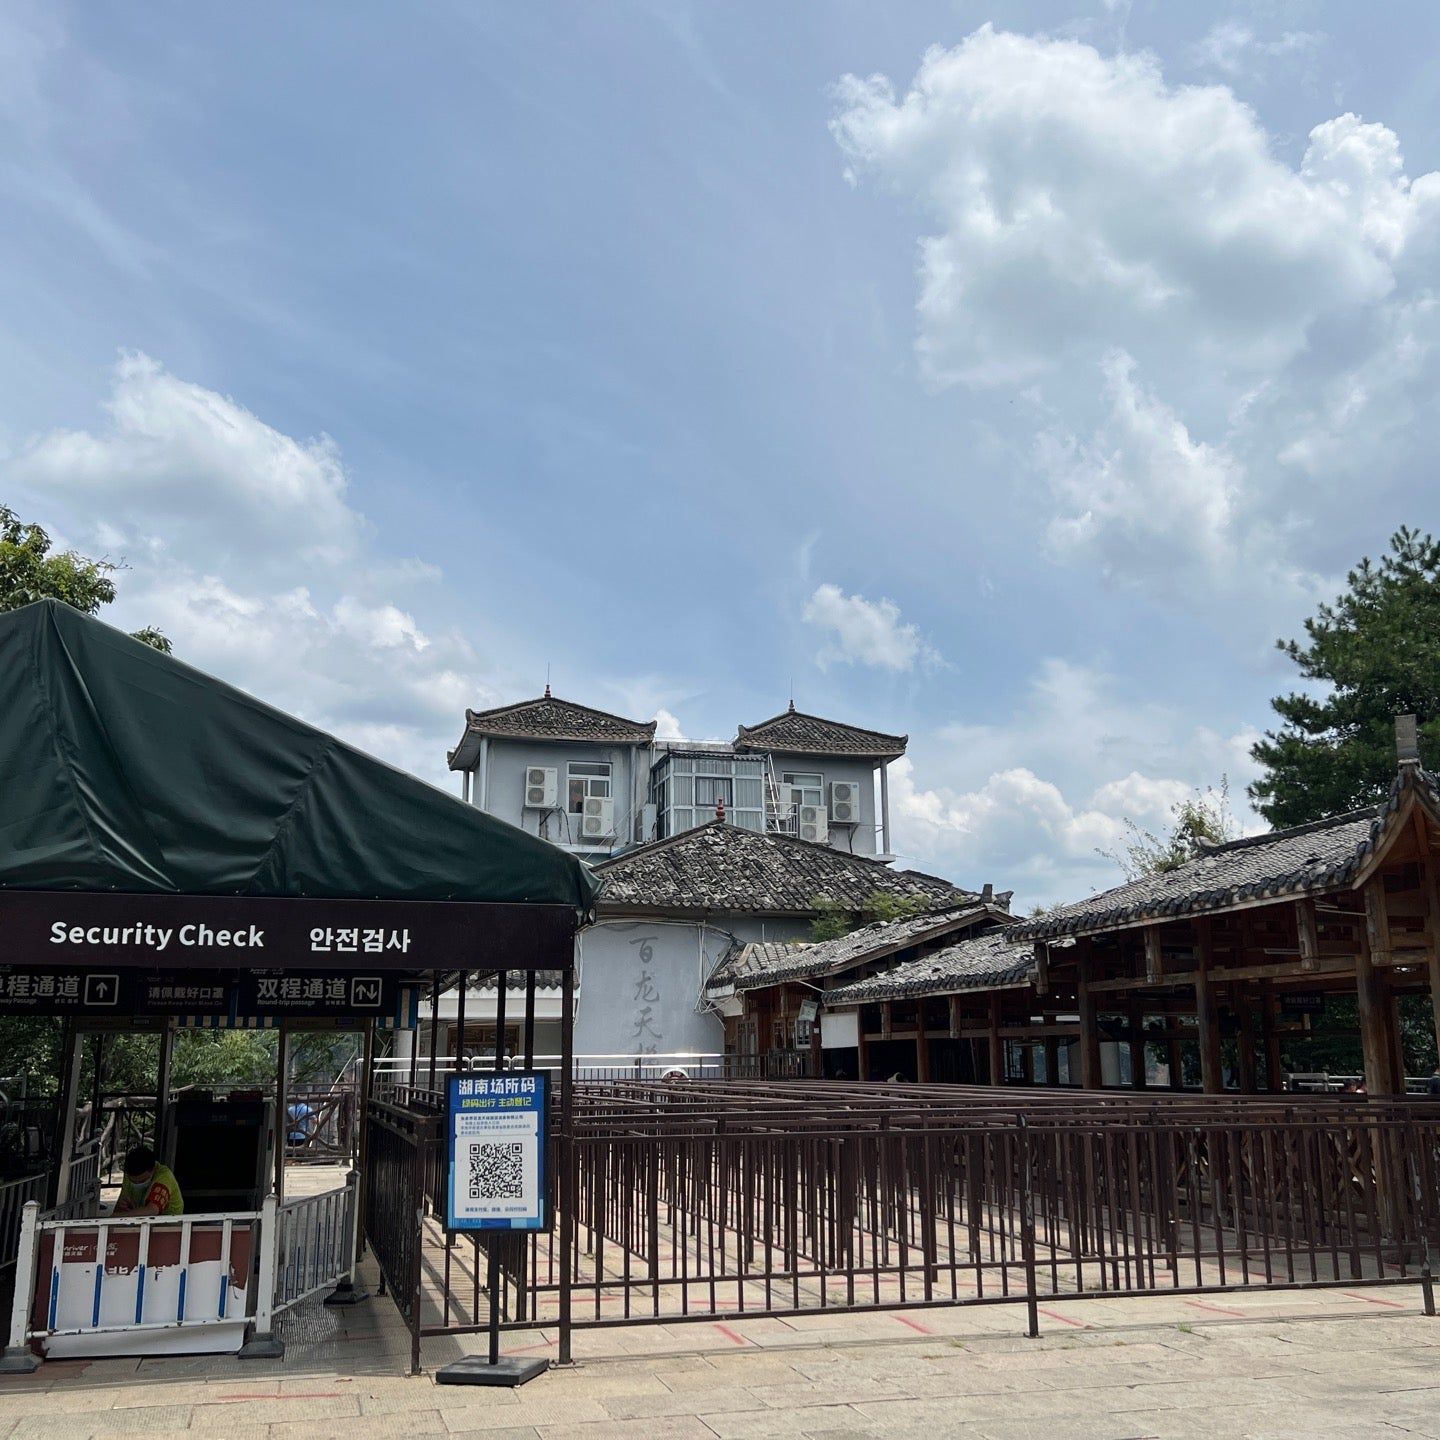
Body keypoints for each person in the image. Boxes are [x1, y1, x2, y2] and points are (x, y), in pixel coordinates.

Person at [115, 1145, 184, 1217]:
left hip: (169, 1224)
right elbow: (119, 1207)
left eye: (142, 1180)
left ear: (153, 1169)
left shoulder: (164, 1176)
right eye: (133, 1181)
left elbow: (152, 1210)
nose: (137, 1184)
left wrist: (121, 1216)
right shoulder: (129, 1174)